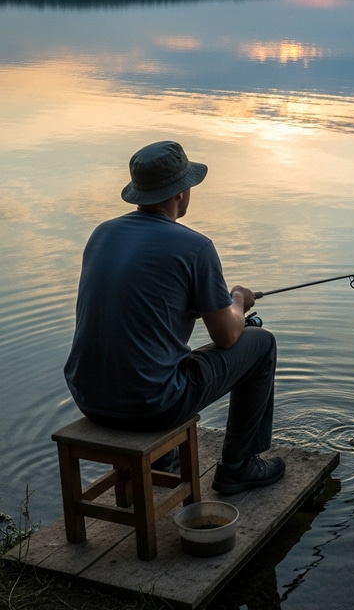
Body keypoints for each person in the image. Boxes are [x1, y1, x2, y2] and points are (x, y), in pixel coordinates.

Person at [64, 140, 284, 495]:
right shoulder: (195, 247)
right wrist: (239, 302)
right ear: (182, 192)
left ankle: (163, 459)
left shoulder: (101, 234)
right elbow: (227, 336)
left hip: (87, 396)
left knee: (159, 358)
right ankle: (238, 467)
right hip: (151, 406)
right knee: (261, 344)